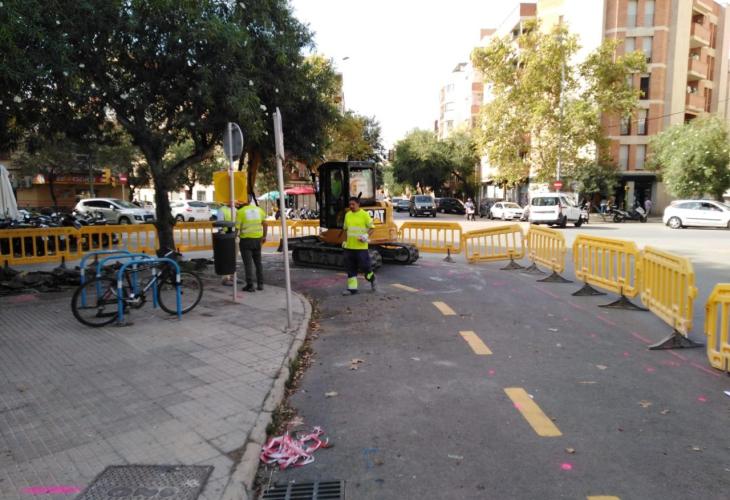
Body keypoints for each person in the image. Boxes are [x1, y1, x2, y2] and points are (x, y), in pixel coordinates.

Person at [341, 196, 375, 295]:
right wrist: (344, 241)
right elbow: (345, 230)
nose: (351, 206)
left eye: (353, 204)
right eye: (350, 204)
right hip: (349, 248)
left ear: (358, 204)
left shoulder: (364, 214)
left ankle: (372, 278)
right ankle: (352, 289)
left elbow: (372, 228)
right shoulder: (348, 215)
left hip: (361, 248)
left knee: (366, 267)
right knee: (350, 269)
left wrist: (365, 236)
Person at [236, 197, 267, 292]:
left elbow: (236, 228)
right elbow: (265, 224)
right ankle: (260, 284)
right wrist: (264, 237)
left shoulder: (240, 212)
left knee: (248, 264)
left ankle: (250, 285)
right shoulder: (259, 210)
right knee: (258, 263)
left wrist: (233, 237)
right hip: (258, 240)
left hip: (246, 241)